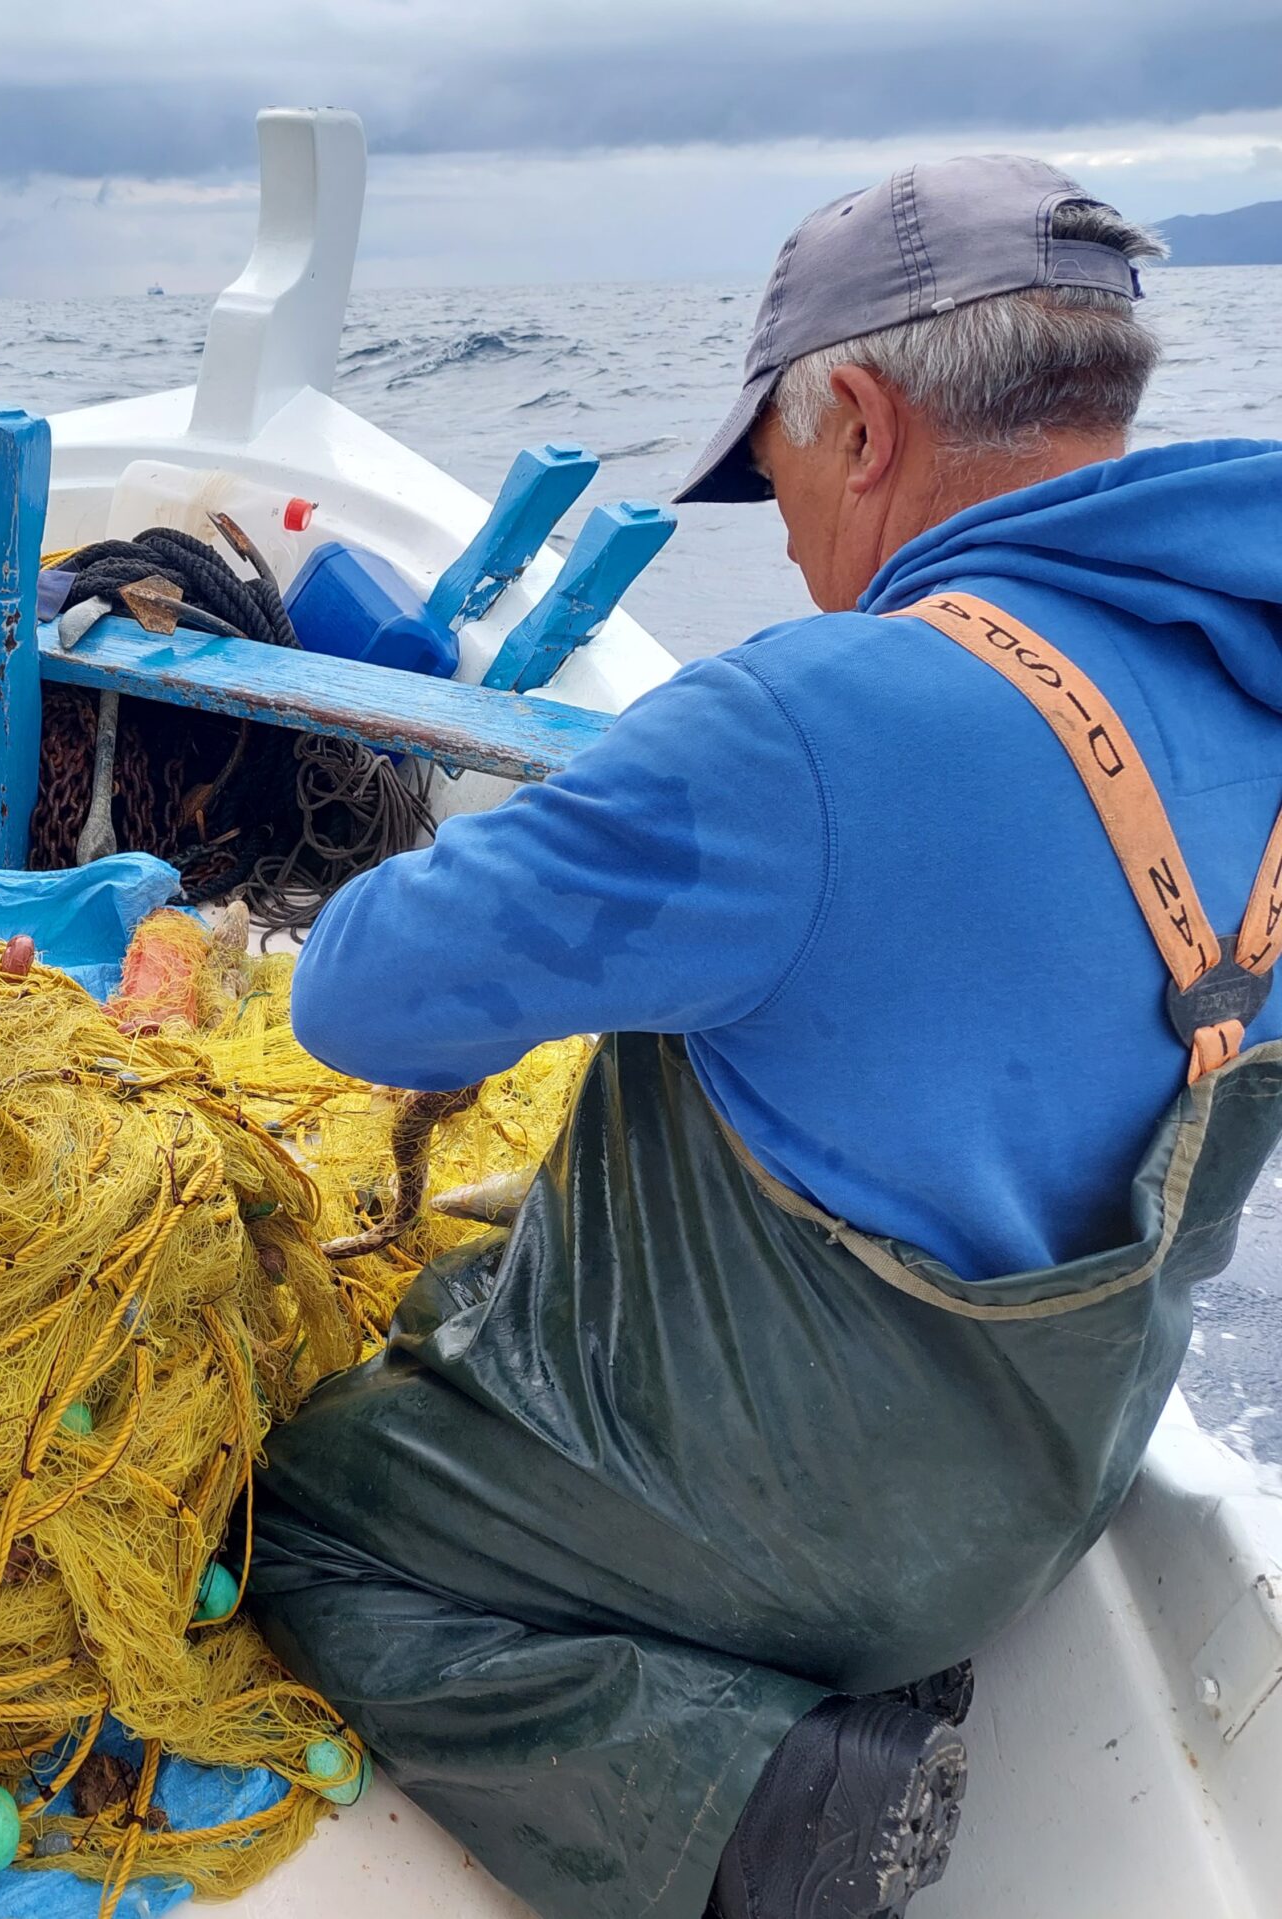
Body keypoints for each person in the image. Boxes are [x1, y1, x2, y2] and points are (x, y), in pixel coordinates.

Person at [247, 155, 1282, 1919]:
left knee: (300, 1520)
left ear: (863, 423)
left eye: (778, 472)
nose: (789, 537)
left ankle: (765, 1809)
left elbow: (358, 995)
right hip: (1047, 1496)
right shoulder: (1253, 685)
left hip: (796, 1540)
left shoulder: (798, 725)